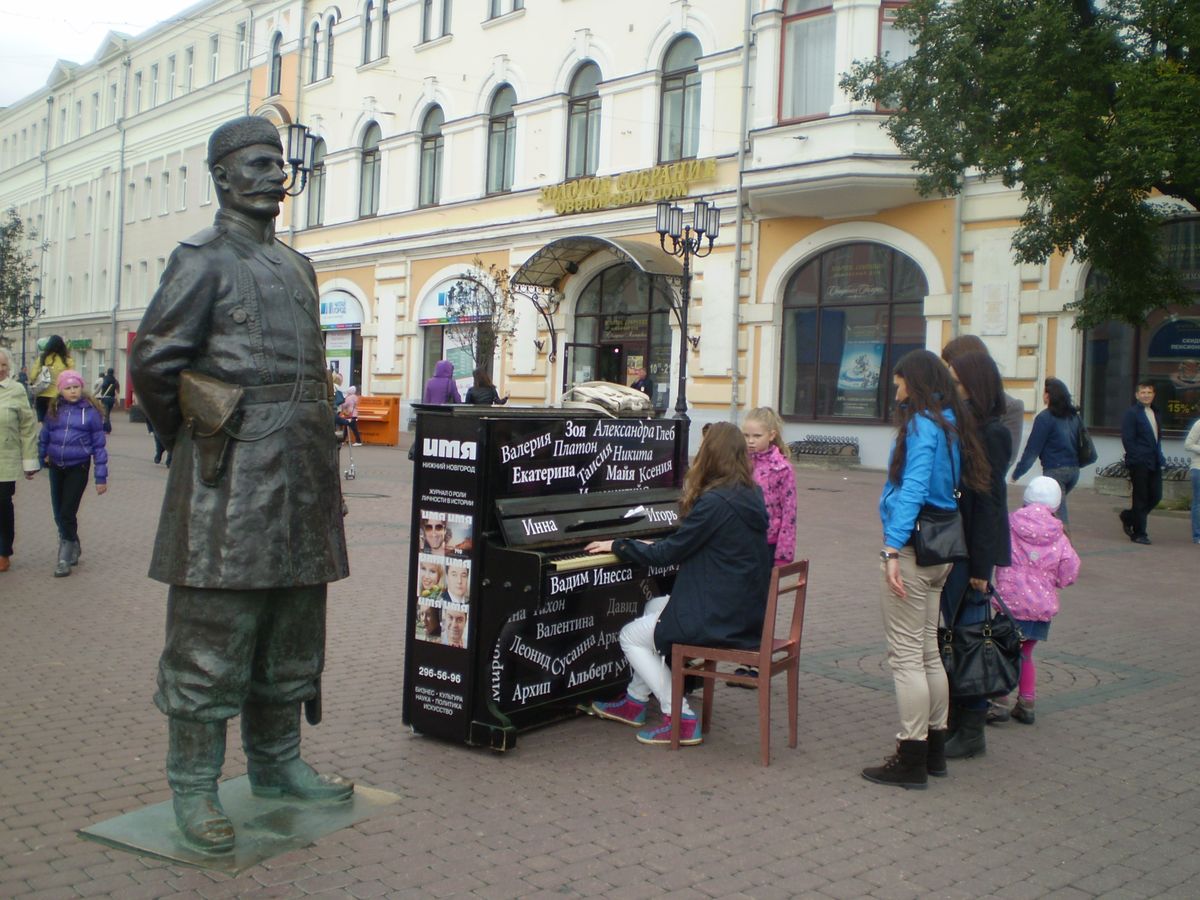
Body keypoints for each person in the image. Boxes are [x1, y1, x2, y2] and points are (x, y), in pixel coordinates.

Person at [129, 116, 352, 855]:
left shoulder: (298, 266)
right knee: (211, 645)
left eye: (277, 163)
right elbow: (157, 364)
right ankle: (193, 788)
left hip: (303, 484)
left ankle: (278, 765)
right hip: (228, 487)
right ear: (222, 175)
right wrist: (199, 437)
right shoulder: (202, 259)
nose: (271, 175)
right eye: (255, 163)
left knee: (291, 637)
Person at [585, 422, 771, 747]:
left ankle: (680, 717)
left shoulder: (715, 502)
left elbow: (666, 554)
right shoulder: (750, 494)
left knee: (630, 636)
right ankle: (634, 701)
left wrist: (619, 545)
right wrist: (643, 541)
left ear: (710, 456)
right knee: (653, 606)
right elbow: (695, 540)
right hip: (741, 610)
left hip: (718, 617)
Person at [864, 348, 987, 789]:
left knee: (906, 656)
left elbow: (914, 486)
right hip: (943, 550)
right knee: (929, 650)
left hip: (915, 551)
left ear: (913, 383)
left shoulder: (921, 425)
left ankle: (911, 754)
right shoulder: (952, 424)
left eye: (899, 383)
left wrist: (892, 550)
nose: (895, 391)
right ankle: (934, 749)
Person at [940, 350, 1011, 760]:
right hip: (960, 546)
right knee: (957, 637)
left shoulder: (992, 432)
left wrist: (982, 568)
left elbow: (989, 501)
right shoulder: (968, 424)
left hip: (973, 553)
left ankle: (971, 730)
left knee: (970, 641)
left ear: (973, 381)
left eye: (956, 377)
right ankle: (956, 722)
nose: (952, 382)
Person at [990, 477, 1080, 726]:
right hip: (1039, 606)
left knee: (1004, 652)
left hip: (1010, 603)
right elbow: (1069, 569)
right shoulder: (1059, 534)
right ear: (1056, 504)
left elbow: (995, 551)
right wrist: (1056, 582)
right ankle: (1027, 702)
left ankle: (999, 701)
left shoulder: (1009, 523)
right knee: (1026, 653)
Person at [38, 370, 108, 577]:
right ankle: (73, 542)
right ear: (61, 390)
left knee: (67, 511)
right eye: (68, 388)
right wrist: (40, 458)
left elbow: (99, 446)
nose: (73, 391)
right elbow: (45, 436)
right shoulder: (54, 411)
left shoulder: (91, 412)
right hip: (56, 467)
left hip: (79, 467)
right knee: (59, 512)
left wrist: (101, 478)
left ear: (81, 387)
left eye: (75, 387)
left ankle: (64, 556)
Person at [941, 334, 1024, 468]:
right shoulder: (946, 402)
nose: (950, 370)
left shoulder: (1010, 407)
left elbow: (1005, 461)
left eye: (952, 363)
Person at [1011, 378, 1082, 527]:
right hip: (1074, 471)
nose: (1043, 396)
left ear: (1049, 396)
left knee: (1058, 517)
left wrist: (1017, 473)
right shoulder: (1073, 416)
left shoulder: (1045, 418)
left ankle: (1065, 547)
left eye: (1044, 392)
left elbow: (1032, 450)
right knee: (1053, 508)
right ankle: (1050, 544)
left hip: (1055, 471)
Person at [0, 348, 40, 573]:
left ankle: (4, 551)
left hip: (5, 459)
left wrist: (29, 461)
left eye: (3, 365)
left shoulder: (16, 390)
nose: (0, 369)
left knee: (3, 505)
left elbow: (27, 426)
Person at [1119, 381, 1165, 545]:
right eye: (1143, 392)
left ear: (1153, 395)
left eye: (1149, 392)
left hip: (1154, 461)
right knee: (1141, 497)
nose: (1146, 395)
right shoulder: (1132, 414)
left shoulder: (1155, 412)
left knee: (1156, 495)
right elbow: (1128, 439)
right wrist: (1137, 457)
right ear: (1137, 395)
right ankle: (1139, 533)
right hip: (1139, 462)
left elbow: (1156, 438)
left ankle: (1129, 516)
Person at [33, 335, 74, 423]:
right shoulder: (67, 361)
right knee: (58, 422)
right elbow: (72, 379)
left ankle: (45, 436)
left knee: (45, 424)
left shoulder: (42, 359)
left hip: (42, 395)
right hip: (59, 396)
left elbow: (32, 376)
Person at [1186, 416, 1200, 546]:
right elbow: (1188, 444)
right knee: (1199, 501)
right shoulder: (1199, 424)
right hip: (1199, 468)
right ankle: (1198, 535)